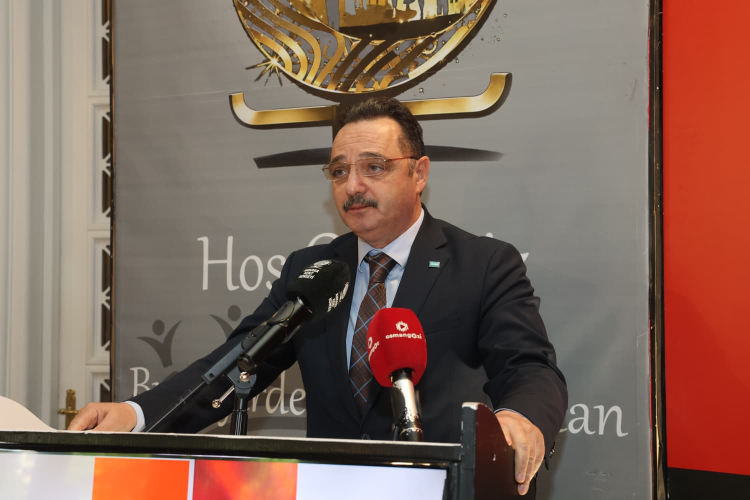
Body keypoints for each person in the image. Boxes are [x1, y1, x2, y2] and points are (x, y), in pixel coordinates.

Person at [70, 97, 567, 496]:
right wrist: (136, 415)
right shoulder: (313, 271)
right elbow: (237, 362)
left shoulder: (482, 264)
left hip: (440, 489)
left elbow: (530, 368)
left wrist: (519, 418)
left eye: (374, 167)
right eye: (339, 171)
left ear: (418, 174)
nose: (353, 186)